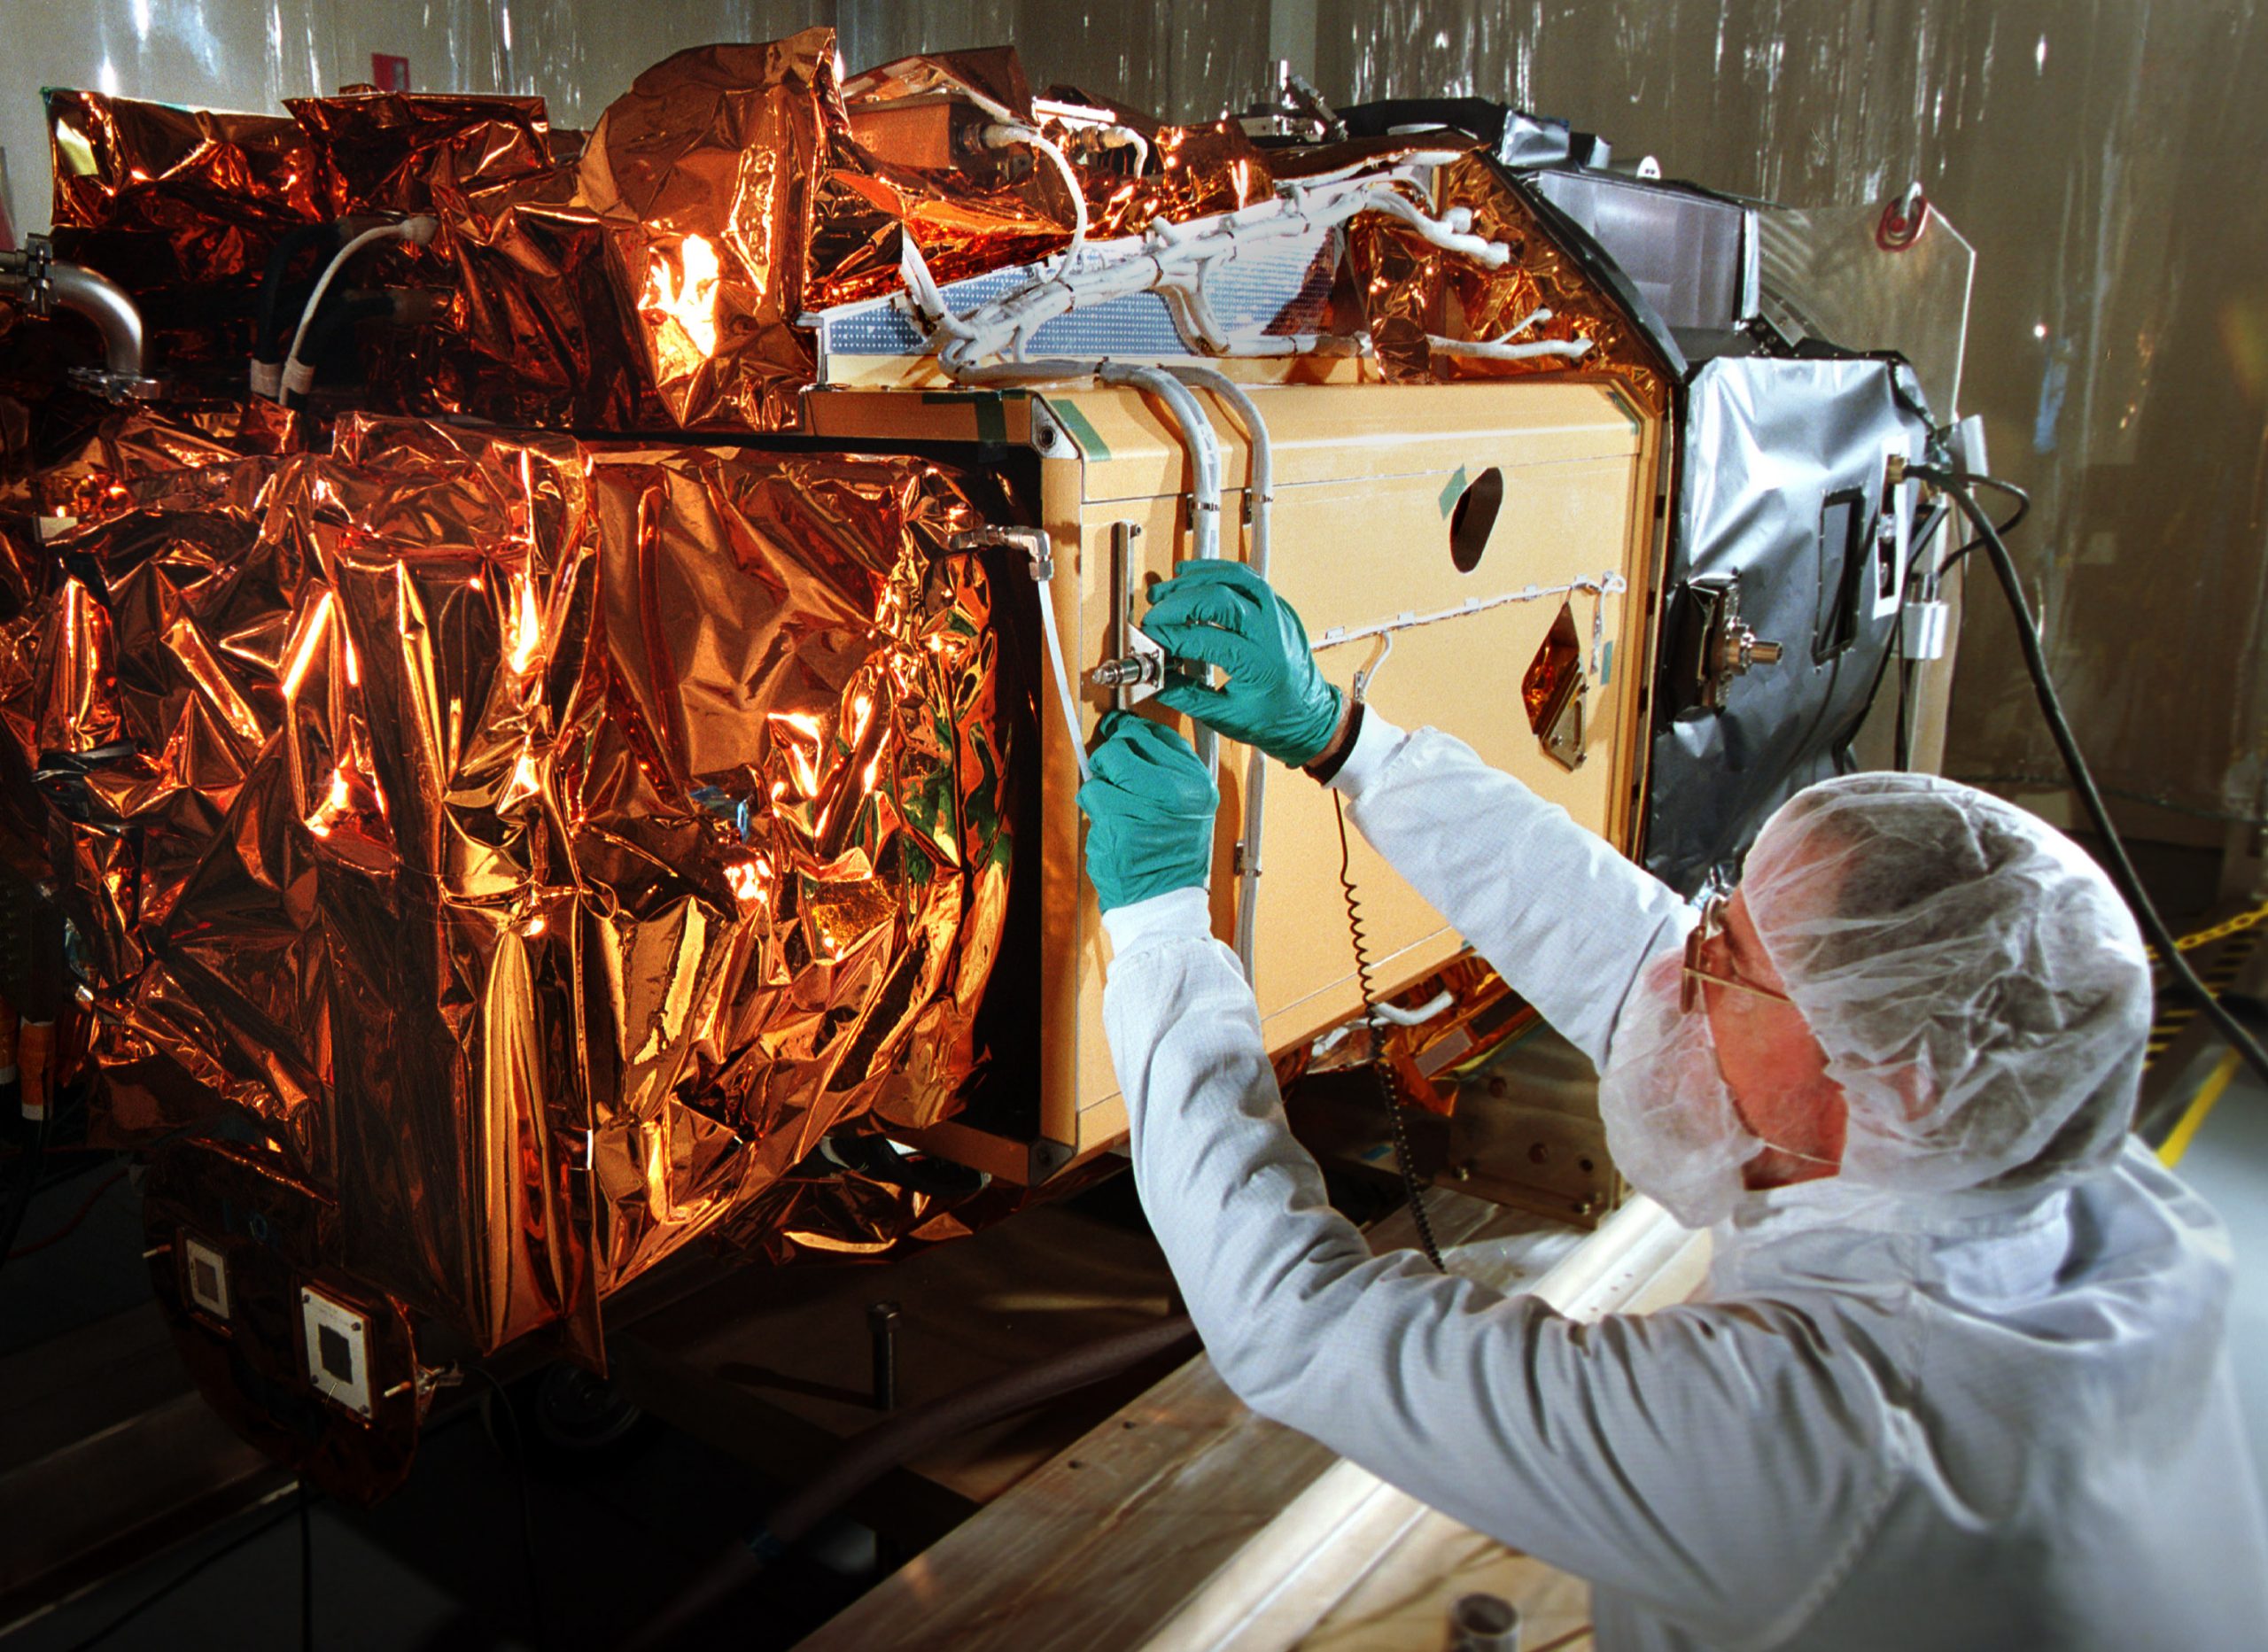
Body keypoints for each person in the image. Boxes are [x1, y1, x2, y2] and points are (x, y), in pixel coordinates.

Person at [1075, 558, 2268, 1650]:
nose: (1685, 961)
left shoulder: (1811, 1444)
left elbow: (1293, 1323)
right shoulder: (2025, 1144)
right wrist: (1345, 740)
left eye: (1728, 958)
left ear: (1864, 1081)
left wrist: (1163, 928)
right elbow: (1646, 959)